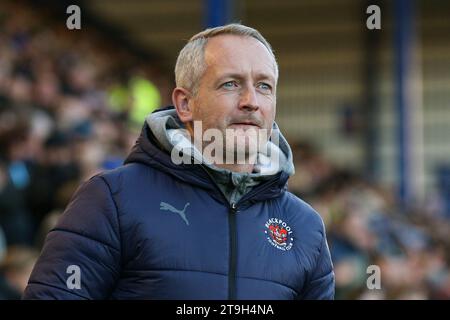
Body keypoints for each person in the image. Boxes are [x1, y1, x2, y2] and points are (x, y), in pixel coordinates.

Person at [23, 24, 335, 300]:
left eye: (264, 86)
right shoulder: (112, 199)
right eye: (231, 83)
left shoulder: (305, 226)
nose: (251, 101)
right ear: (185, 104)